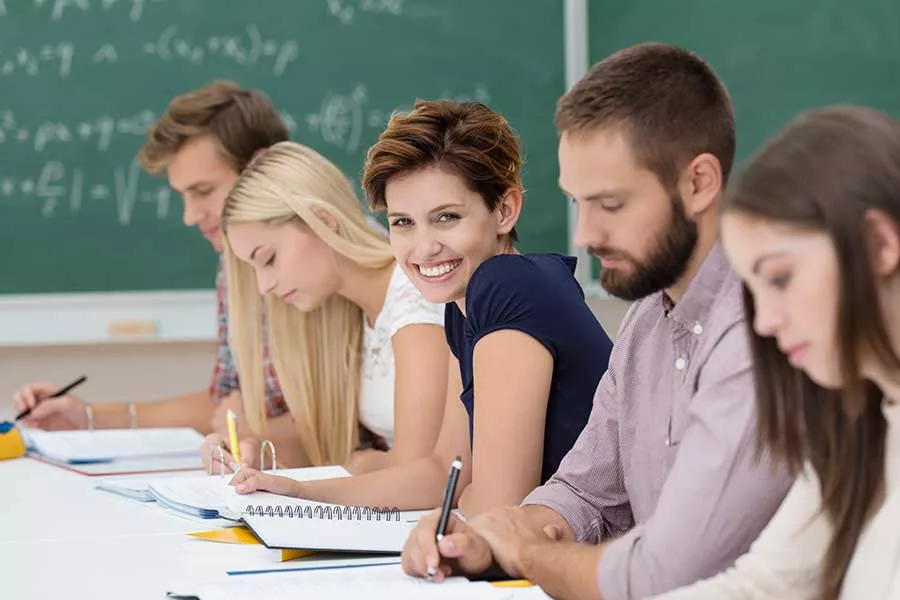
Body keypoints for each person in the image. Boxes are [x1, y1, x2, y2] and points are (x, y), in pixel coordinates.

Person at [401, 43, 793, 599]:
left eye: (610, 205)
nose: (584, 235)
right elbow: (583, 493)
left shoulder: (768, 333)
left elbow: (666, 571)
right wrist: (488, 538)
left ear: (699, 183)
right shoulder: (645, 326)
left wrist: (529, 552)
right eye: (576, 204)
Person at [229, 99, 613, 516]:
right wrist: (296, 492)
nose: (424, 248)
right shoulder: (461, 307)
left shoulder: (507, 285)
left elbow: (497, 510)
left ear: (504, 210)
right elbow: (437, 474)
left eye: (446, 217)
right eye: (403, 223)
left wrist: (464, 494)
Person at [652, 107, 900, 599]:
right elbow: (765, 585)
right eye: (753, 291)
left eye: (781, 279)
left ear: (878, 243)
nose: (764, 323)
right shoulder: (856, 429)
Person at [13, 81, 302, 468]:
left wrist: (250, 429)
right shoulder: (232, 264)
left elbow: (344, 430)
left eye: (203, 190)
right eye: (183, 195)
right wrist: (90, 417)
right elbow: (223, 404)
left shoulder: (323, 265)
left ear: (260, 167)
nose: (189, 216)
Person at [218, 140, 448, 472]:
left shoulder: (414, 298)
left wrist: (360, 463)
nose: (263, 286)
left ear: (323, 221)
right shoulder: (351, 310)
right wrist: (248, 446)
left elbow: (415, 473)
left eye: (268, 259)